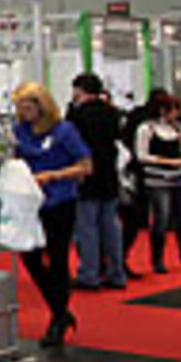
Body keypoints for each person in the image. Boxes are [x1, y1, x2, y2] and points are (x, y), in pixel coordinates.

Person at [10, 82, 93, 348]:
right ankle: (60, 310)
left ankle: (57, 318)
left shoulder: (64, 131)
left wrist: (53, 175)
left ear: (41, 106)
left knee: (57, 259)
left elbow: (85, 166)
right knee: (29, 257)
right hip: (29, 202)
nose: (23, 114)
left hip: (59, 201)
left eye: (27, 108)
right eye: (20, 108)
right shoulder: (19, 131)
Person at [65, 73, 126, 289]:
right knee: (111, 226)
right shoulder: (112, 113)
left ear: (80, 90)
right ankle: (116, 273)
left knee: (87, 228)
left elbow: (70, 141)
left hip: (86, 174)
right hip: (109, 174)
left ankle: (89, 274)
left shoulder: (78, 115)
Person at [137, 92, 181, 274]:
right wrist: (168, 161)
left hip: (178, 178)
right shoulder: (146, 129)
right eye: (174, 109)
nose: (176, 113)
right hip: (157, 179)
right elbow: (142, 155)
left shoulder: (175, 128)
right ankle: (157, 260)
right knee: (161, 220)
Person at [118, 92, 159, 279]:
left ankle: (117, 260)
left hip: (126, 182)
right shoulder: (142, 124)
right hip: (120, 183)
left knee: (129, 221)